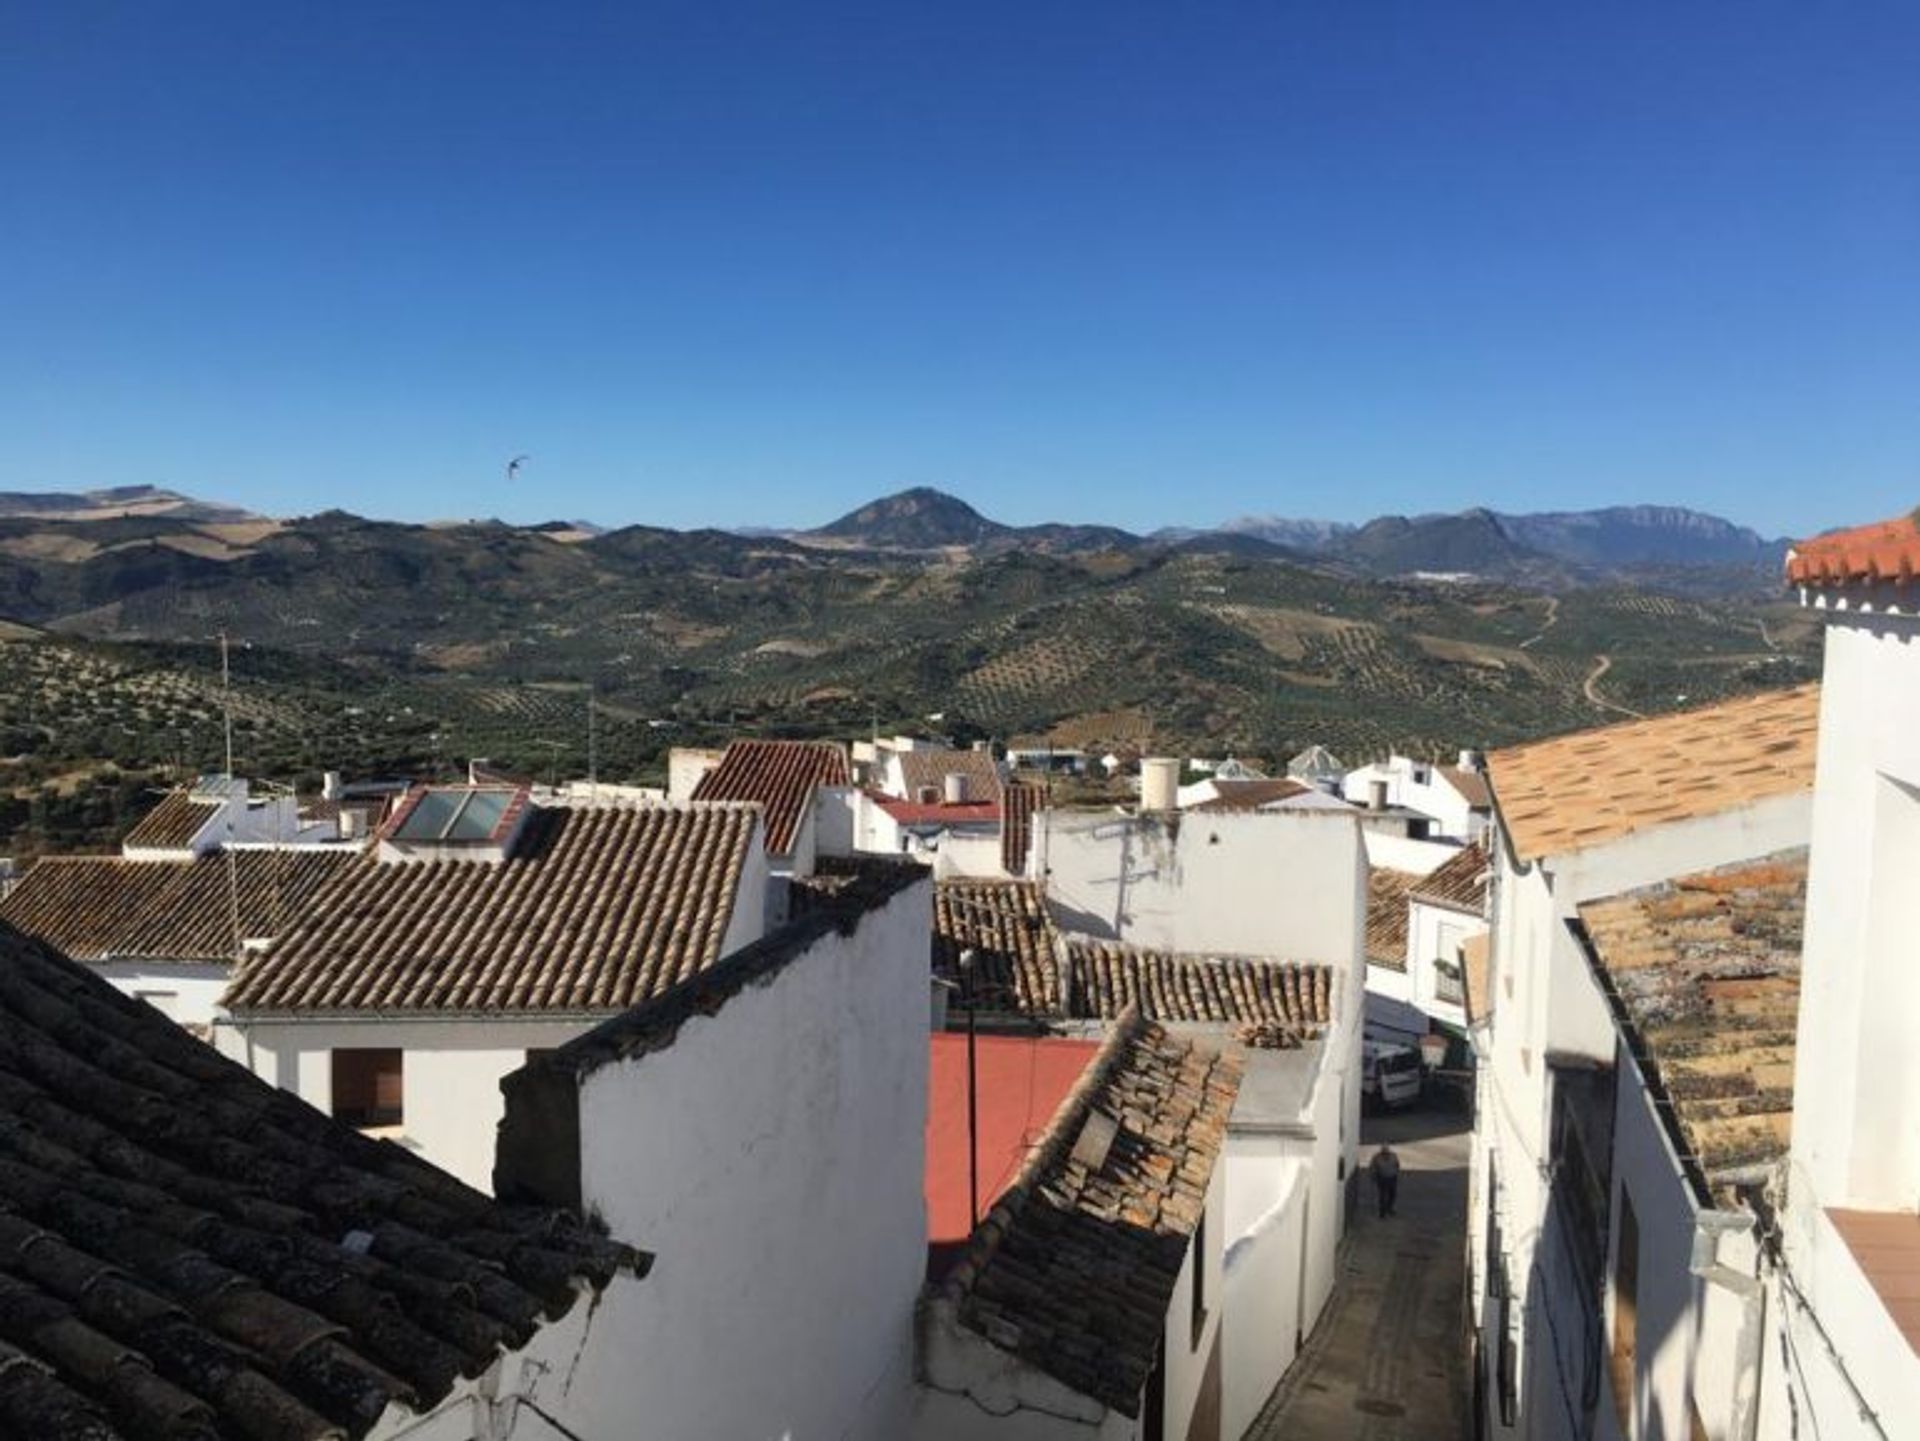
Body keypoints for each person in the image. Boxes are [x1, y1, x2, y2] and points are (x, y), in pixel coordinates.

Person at [1370, 1143, 1401, 1218]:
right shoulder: (1376, 1157)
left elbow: (1397, 1165)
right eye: (1384, 1151)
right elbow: (1373, 1167)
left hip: (1392, 1178)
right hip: (1382, 1178)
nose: (1385, 1153)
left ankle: (1389, 1208)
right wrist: (1373, 1176)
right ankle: (1382, 1212)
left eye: (1387, 1151)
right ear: (1381, 1151)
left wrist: (1396, 1173)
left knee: (1392, 1194)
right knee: (1382, 1196)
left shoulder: (1394, 1156)